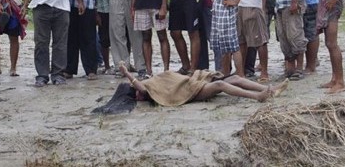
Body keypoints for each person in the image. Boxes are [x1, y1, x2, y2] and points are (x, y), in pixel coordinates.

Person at [118, 61, 289, 107]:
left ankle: (271, 90)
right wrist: (127, 74)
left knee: (235, 78)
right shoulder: (148, 91)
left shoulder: (151, 82)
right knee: (219, 86)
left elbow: (173, 79)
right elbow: (141, 88)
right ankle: (258, 96)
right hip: (190, 91)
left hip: (191, 83)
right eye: (136, 92)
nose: (138, 92)